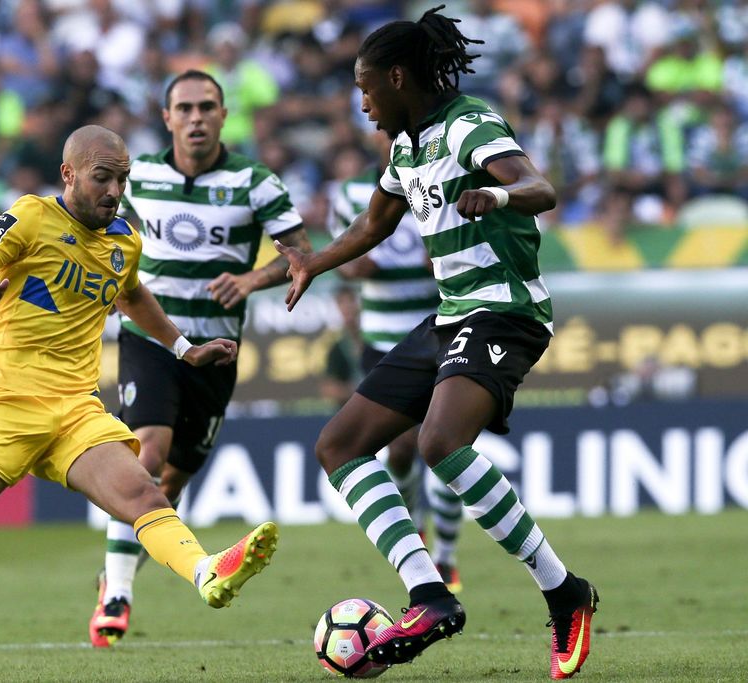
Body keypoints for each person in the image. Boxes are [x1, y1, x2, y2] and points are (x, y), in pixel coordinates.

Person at [0, 125, 279, 677]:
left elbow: (130, 293)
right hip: (1, 401)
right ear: (69, 174)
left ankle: (207, 574)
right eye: (103, 177)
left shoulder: (125, 239)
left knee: (143, 494)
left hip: (74, 409)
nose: (114, 190)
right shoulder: (29, 217)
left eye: (122, 179)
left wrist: (183, 349)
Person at [274, 8, 598, 680]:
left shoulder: (468, 125)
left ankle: (564, 592)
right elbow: (372, 225)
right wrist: (313, 263)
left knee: (438, 443)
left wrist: (499, 196)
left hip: (506, 313)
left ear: (397, 78)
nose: (361, 103)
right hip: (452, 316)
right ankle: (429, 594)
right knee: (338, 445)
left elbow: (541, 186)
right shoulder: (406, 146)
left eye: (367, 89)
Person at [88, 69, 310, 648]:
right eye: (184, 108)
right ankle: (116, 594)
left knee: (174, 479)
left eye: (207, 107)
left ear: (223, 115)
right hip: (153, 340)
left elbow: (300, 254)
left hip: (218, 352)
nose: (196, 117)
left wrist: (254, 276)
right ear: (166, 118)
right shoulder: (140, 178)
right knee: (148, 452)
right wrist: (108, 286)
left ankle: (122, 564)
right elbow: (98, 233)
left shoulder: (256, 183)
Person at [328, 130, 462, 593]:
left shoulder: (439, 178)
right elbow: (345, 254)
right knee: (403, 449)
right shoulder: (350, 194)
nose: (390, 138)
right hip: (385, 339)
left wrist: (442, 256)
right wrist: (352, 267)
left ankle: (446, 554)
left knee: (447, 445)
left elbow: (457, 247)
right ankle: (416, 533)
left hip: (443, 329)